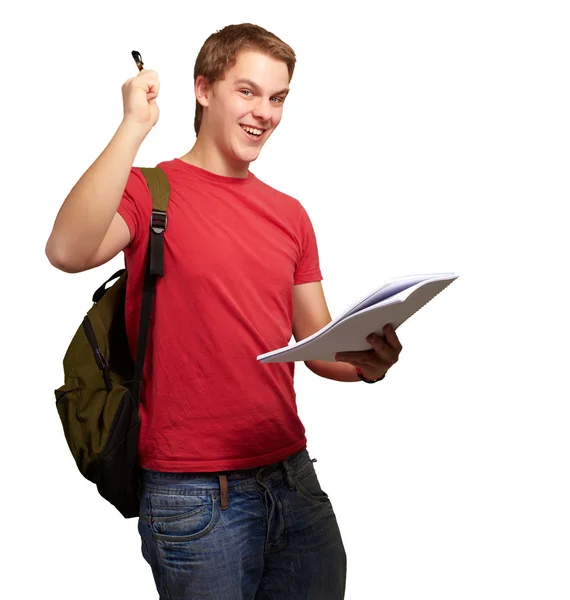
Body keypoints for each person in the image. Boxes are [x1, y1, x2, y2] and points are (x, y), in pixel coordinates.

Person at [45, 22, 402, 600]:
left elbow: (318, 345)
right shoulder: (148, 191)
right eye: (247, 91)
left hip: (293, 480)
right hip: (194, 495)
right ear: (204, 89)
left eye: (278, 97)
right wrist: (134, 125)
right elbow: (67, 250)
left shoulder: (289, 215)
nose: (264, 112)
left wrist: (367, 361)